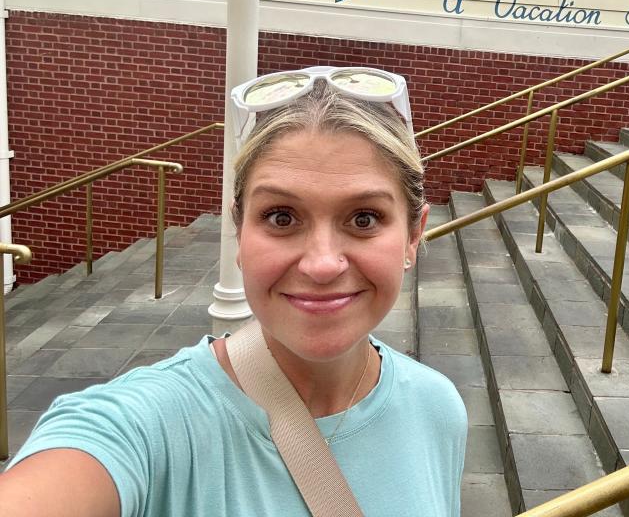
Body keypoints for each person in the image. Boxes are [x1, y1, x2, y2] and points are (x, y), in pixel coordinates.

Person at [0, 66, 468, 516]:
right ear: (239, 233)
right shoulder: (146, 427)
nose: (322, 264)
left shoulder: (437, 408)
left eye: (364, 219)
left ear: (413, 235)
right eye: (281, 217)